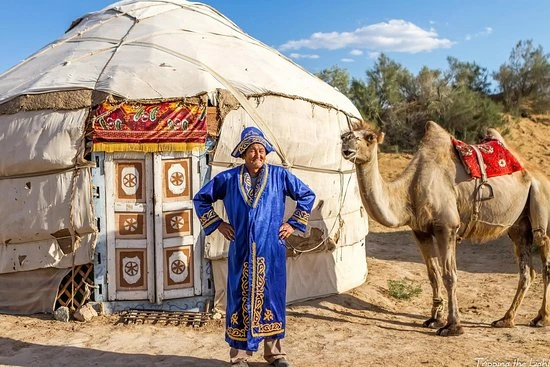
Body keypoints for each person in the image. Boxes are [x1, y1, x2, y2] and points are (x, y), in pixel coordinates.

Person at [193, 127, 316, 367]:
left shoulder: (280, 176)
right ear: (243, 154)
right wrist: (218, 224)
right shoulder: (228, 179)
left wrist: (293, 223)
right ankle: (239, 357)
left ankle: (275, 354)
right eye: (252, 150)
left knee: (272, 299)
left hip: (271, 251)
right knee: (238, 300)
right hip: (241, 251)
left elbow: (307, 195)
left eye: (261, 150)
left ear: (266, 153)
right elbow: (201, 198)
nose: (257, 154)